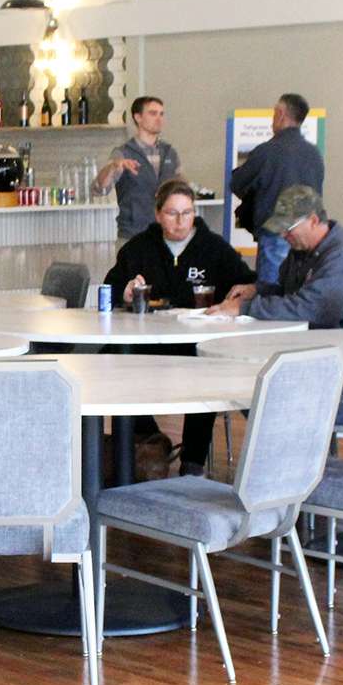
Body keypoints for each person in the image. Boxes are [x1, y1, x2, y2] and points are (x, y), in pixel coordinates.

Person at [104, 179, 256, 474]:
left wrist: (241, 295)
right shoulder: (138, 249)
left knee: (209, 372)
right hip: (147, 343)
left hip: (198, 344)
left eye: (187, 213)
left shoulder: (214, 248)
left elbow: (247, 282)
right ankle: (150, 438)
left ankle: (192, 462)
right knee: (111, 359)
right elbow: (109, 288)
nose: (180, 221)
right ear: (158, 214)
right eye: (173, 213)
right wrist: (124, 290)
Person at [210, 185, 343, 328]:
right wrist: (257, 290)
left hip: (334, 345)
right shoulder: (300, 250)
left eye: (288, 228)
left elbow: (313, 308)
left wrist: (244, 308)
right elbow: (289, 293)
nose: (283, 235)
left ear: (313, 221)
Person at [230, 93, 324, 286]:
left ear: (281, 114)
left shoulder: (267, 151)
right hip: (309, 237)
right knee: (298, 292)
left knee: (271, 293)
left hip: (276, 234)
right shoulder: (314, 154)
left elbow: (237, 183)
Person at [95, 96, 183, 240]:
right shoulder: (123, 152)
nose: (159, 119)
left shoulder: (170, 153)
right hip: (132, 235)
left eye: (162, 114)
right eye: (153, 113)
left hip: (166, 235)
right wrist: (113, 166)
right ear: (138, 117)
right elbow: (99, 189)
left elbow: (181, 188)